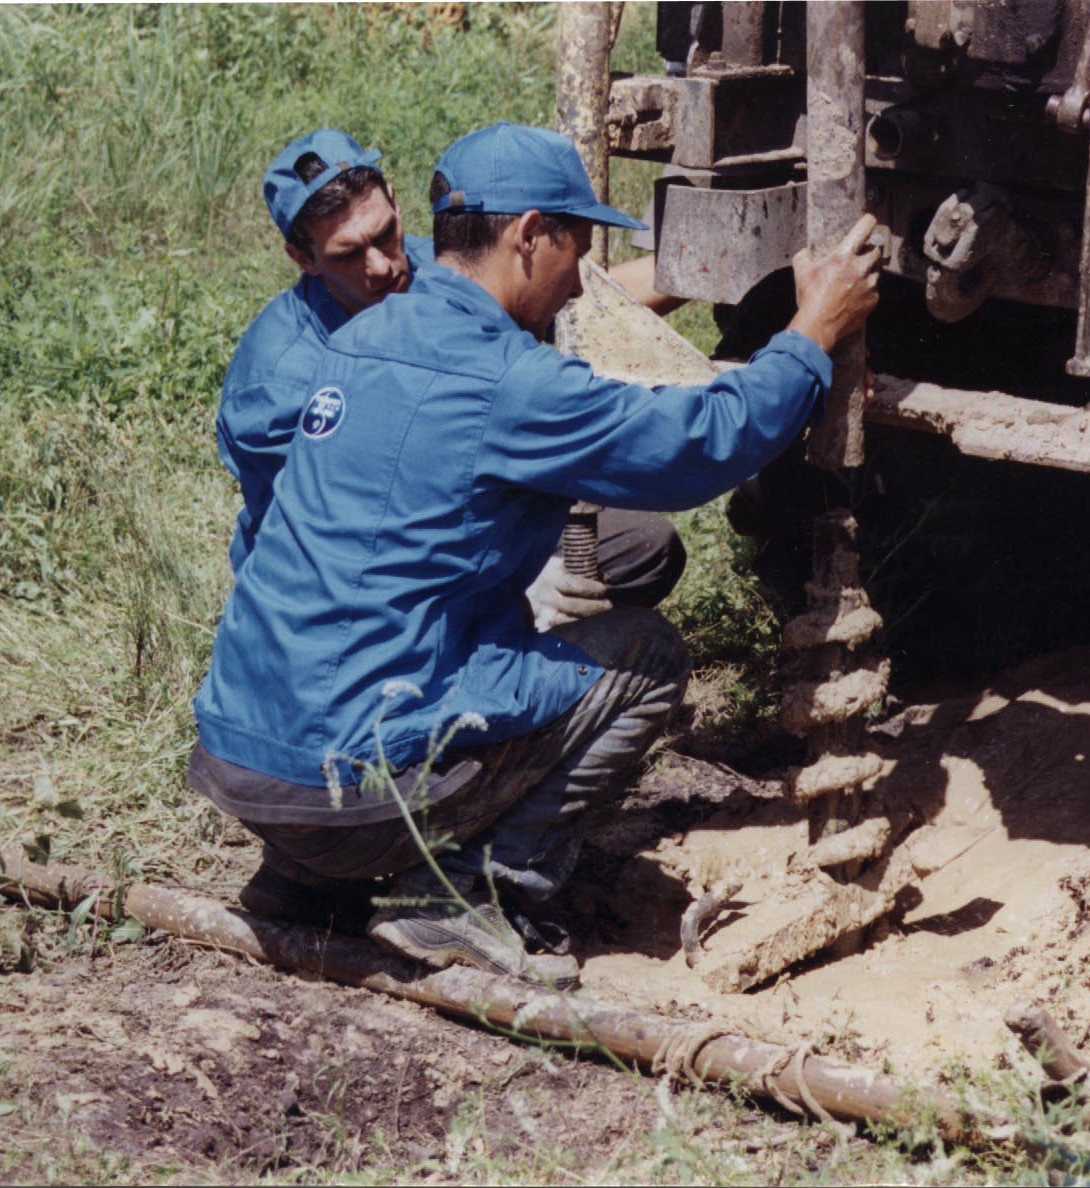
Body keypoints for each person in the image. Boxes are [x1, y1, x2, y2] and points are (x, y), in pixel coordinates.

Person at [189, 122, 880, 987]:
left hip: (241, 762)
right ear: (530, 237)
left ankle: (301, 879)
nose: (580, 277)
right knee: (643, 656)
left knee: (445, 613)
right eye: (578, 248)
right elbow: (703, 443)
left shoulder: (354, 339)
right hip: (346, 791)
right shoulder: (509, 382)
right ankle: (469, 899)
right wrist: (810, 336)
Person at [218, 127, 684, 616]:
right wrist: (513, 578)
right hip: (353, 583)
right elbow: (337, 542)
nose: (380, 266)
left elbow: (587, 299)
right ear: (302, 257)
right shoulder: (277, 386)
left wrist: (706, 269)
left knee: (645, 545)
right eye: (348, 254)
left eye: (384, 235)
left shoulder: (433, 265)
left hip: (465, 514)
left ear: (395, 203)